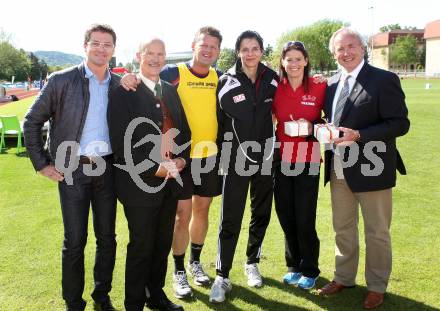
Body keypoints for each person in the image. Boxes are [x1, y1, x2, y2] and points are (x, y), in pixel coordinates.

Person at [121, 26, 223, 299]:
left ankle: (194, 263)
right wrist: (127, 76)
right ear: (193, 44)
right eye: (204, 44)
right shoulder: (173, 73)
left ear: (219, 51)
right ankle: (178, 272)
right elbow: (146, 77)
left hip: (207, 156)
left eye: (214, 47)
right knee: (181, 215)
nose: (208, 50)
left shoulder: (221, 77)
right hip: (177, 160)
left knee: (202, 211)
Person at [23, 24, 120, 311]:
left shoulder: (117, 85)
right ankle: (73, 303)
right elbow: (32, 122)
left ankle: (102, 298)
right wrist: (42, 164)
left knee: (107, 239)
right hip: (73, 170)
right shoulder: (61, 80)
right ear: (85, 46)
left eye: (107, 44)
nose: (101, 49)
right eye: (96, 43)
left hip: (107, 168)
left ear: (114, 49)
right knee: (75, 241)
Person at [317, 28, 410, 310]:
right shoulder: (331, 84)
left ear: (362, 47)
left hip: (373, 167)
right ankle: (344, 276)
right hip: (338, 168)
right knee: (343, 228)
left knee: (377, 232)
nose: (346, 52)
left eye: (351, 46)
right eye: (339, 49)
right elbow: (331, 118)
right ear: (334, 54)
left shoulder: (384, 80)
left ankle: (377, 286)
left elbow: (399, 123)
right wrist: (324, 127)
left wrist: (359, 135)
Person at [108, 38, 191, 311]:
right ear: (138, 55)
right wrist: (155, 168)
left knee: (162, 243)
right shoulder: (124, 91)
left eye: (160, 54)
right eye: (150, 53)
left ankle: (155, 295)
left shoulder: (170, 90)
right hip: (138, 185)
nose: (155, 59)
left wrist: (180, 160)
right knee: (142, 246)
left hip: (169, 183)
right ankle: (134, 303)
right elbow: (121, 144)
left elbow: (184, 132)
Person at [210, 30, 278, 303]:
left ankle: (252, 262)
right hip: (235, 158)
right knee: (230, 217)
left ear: (262, 50)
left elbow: (294, 92)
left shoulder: (273, 78)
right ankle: (222, 276)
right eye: (245, 48)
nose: (250, 53)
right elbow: (223, 119)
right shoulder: (226, 80)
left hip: (266, 157)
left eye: (255, 48)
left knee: (261, 212)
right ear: (238, 51)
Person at [272, 41, 326, 290]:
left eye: (298, 59)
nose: (293, 64)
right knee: (286, 215)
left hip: (308, 159)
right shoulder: (276, 88)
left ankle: (310, 269)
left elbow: (332, 118)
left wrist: (314, 126)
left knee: (305, 217)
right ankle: (293, 265)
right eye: (289, 59)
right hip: (281, 159)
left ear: (306, 61)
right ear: (282, 62)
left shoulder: (319, 86)